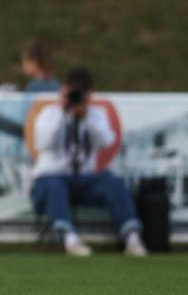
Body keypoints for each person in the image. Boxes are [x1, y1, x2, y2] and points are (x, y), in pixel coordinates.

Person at [31, 68, 147, 257]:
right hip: (52, 176)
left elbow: (106, 141)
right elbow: (43, 142)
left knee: (114, 183)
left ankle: (132, 238)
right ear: (64, 89)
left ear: (90, 94)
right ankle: (70, 238)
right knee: (53, 186)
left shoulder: (95, 115)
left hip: (86, 179)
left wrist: (86, 118)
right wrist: (63, 113)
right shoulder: (49, 113)